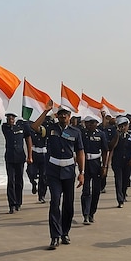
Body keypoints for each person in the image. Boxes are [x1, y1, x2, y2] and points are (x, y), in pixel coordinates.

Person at [30, 102, 85, 249]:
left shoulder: (76, 132)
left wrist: (82, 173)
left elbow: (80, 152)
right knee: (54, 202)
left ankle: (64, 232)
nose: (62, 117)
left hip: (68, 172)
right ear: (57, 116)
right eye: (60, 115)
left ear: (69, 117)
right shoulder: (50, 129)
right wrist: (45, 111)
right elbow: (34, 127)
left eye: (65, 115)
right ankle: (54, 236)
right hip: (53, 171)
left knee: (69, 205)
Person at [1, 112, 32, 213]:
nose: (10, 120)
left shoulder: (21, 127)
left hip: (20, 157)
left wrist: (30, 156)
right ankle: (12, 204)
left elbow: (28, 139)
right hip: (10, 158)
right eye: (8, 118)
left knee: (19, 181)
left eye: (12, 118)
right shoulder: (5, 128)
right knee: (11, 181)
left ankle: (18, 202)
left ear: (15, 119)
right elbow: (4, 126)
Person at [79, 115, 108, 224]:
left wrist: (104, 166)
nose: (90, 124)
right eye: (88, 122)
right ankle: (85, 214)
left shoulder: (101, 134)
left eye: (92, 122)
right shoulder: (81, 134)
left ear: (97, 123)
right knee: (86, 190)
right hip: (85, 163)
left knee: (96, 191)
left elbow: (105, 151)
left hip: (96, 164)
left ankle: (92, 213)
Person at [27, 117, 50, 203]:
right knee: (31, 172)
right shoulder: (31, 131)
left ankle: (42, 195)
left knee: (43, 176)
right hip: (34, 153)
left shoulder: (45, 131)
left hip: (43, 154)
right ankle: (33, 183)